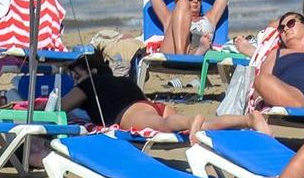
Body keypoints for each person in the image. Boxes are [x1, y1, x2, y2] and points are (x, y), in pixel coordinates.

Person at [62, 46, 230, 143]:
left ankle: (191, 121)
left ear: (92, 71)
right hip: (151, 106)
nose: (76, 81)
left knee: (164, 125)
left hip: (130, 114)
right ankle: (246, 120)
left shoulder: (89, 83)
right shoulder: (121, 80)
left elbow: (62, 107)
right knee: (200, 126)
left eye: (77, 76)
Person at [147, 0, 231, 55]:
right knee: (183, 3)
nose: (195, 0)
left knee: (201, 44)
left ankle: (197, 51)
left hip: (195, 50)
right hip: (172, 53)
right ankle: (182, 56)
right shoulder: (170, 18)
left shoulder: (210, 18)